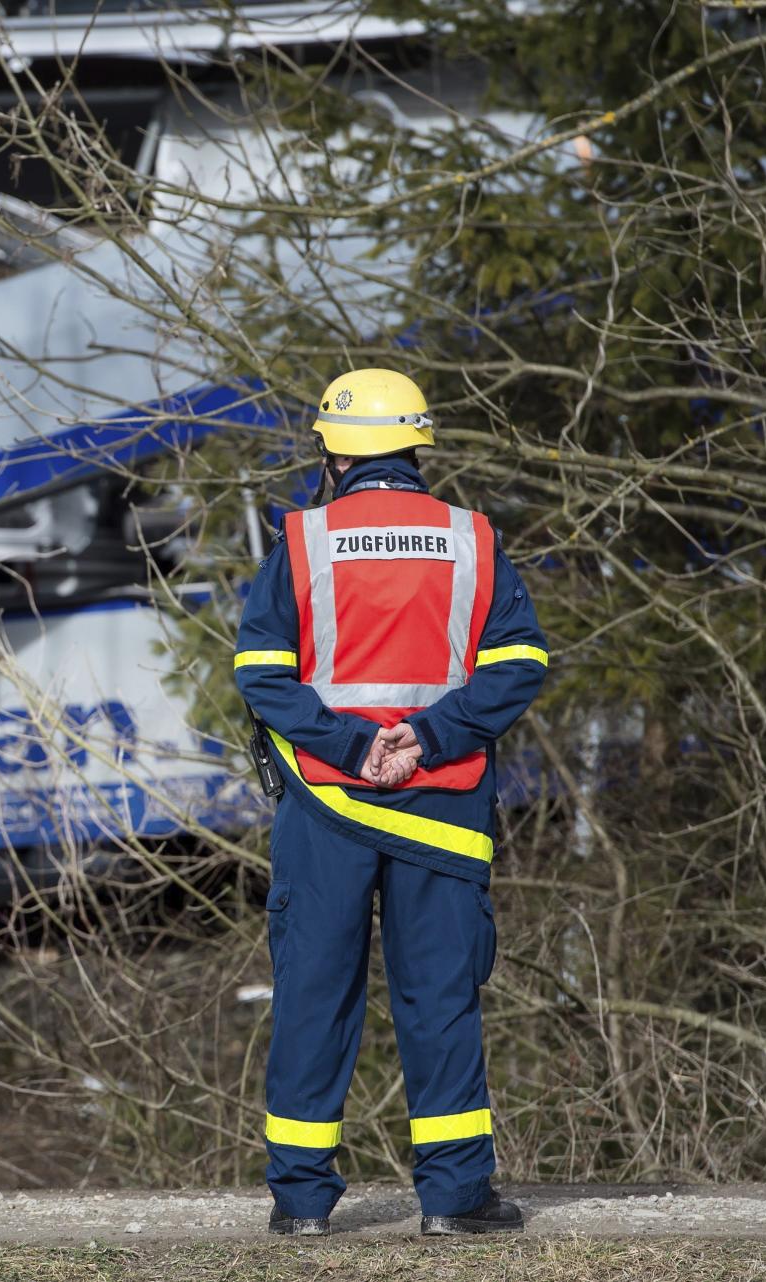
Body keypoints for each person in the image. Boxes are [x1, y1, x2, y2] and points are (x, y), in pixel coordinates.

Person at [234, 369, 548, 1236]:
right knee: (440, 1000)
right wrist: (432, 733)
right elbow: (522, 663)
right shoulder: (473, 539)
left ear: (331, 454)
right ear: (416, 449)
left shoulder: (301, 542)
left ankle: (300, 1209)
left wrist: (348, 744)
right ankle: (454, 1202)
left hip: (327, 806)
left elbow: (260, 675)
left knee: (313, 996)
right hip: (441, 807)